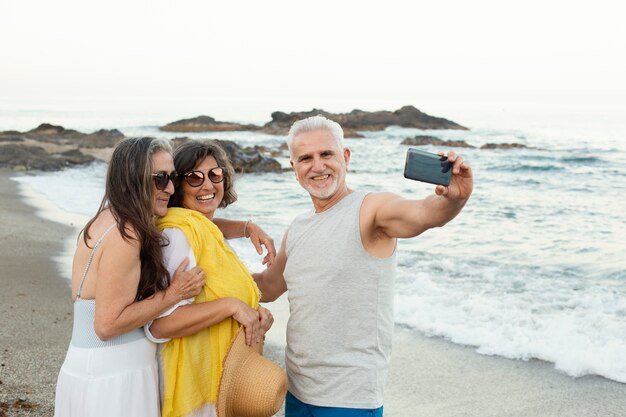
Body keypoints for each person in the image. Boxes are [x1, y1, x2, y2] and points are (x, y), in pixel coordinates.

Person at [253, 115, 474, 416]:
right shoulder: (298, 227)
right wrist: (208, 263)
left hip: (350, 398)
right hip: (298, 391)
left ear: (345, 156)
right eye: (306, 158)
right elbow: (267, 286)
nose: (317, 166)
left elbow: (422, 213)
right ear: (294, 168)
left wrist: (453, 201)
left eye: (326, 154)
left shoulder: (370, 209)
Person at [54, 137, 206, 417]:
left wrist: (244, 228)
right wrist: (173, 294)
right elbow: (107, 325)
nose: (170, 188)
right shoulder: (127, 234)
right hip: (114, 377)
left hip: (92, 367)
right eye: (160, 179)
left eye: (172, 178)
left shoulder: (106, 218)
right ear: (132, 178)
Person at [145, 140, 275, 417]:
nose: (207, 186)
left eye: (215, 175)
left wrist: (252, 313)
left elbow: (210, 296)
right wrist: (231, 306)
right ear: (177, 185)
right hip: (192, 388)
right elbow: (160, 325)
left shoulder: (204, 232)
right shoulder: (178, 236)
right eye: (194, 177)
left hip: (215, 377)